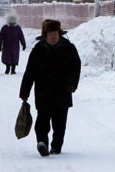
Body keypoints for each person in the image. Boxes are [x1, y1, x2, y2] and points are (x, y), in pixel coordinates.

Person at [19, 19, 81, 157]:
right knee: (42, 120)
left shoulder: (68, 48)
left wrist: (72, 83)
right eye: (51, 34)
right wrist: (24, 91)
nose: (54, 36)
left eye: (56, 33)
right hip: (43, 92)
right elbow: (30, 73)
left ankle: (56, 146)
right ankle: (42, 143)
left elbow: (75, 67)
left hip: (62, 92)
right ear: (45, 35)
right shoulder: (38, 50)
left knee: (59, 123)